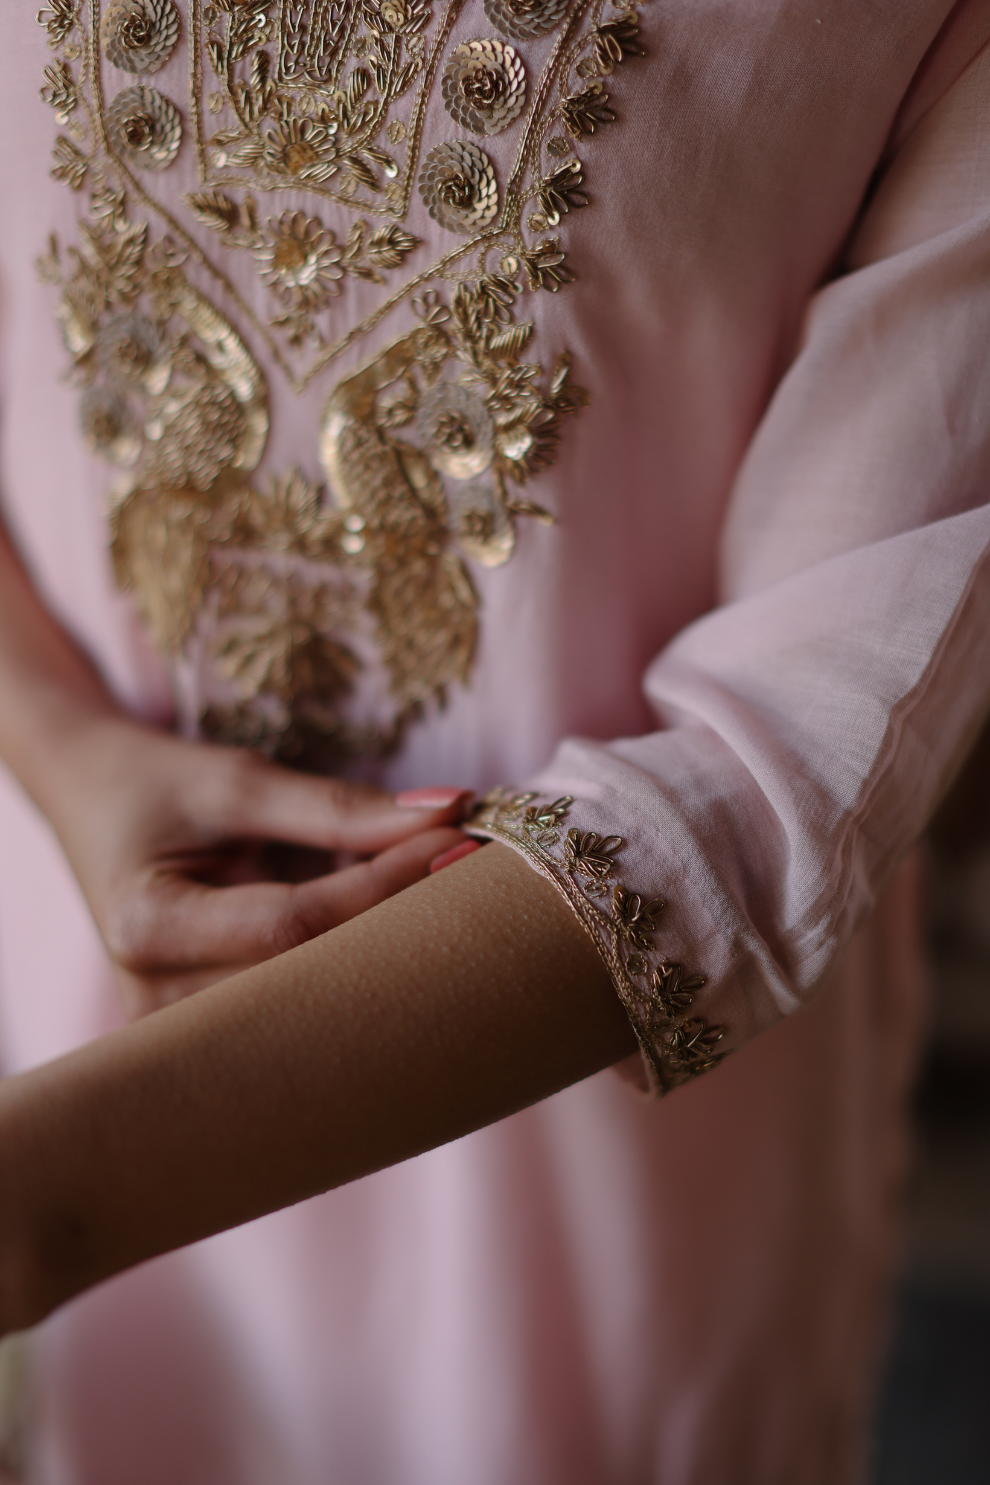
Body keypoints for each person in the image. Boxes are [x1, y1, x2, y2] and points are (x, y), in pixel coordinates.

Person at [1, 0, 989, 1480]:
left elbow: (790, 738)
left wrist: (51, 1196)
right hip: (67, 950)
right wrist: (60, 743)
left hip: (571, 1137)